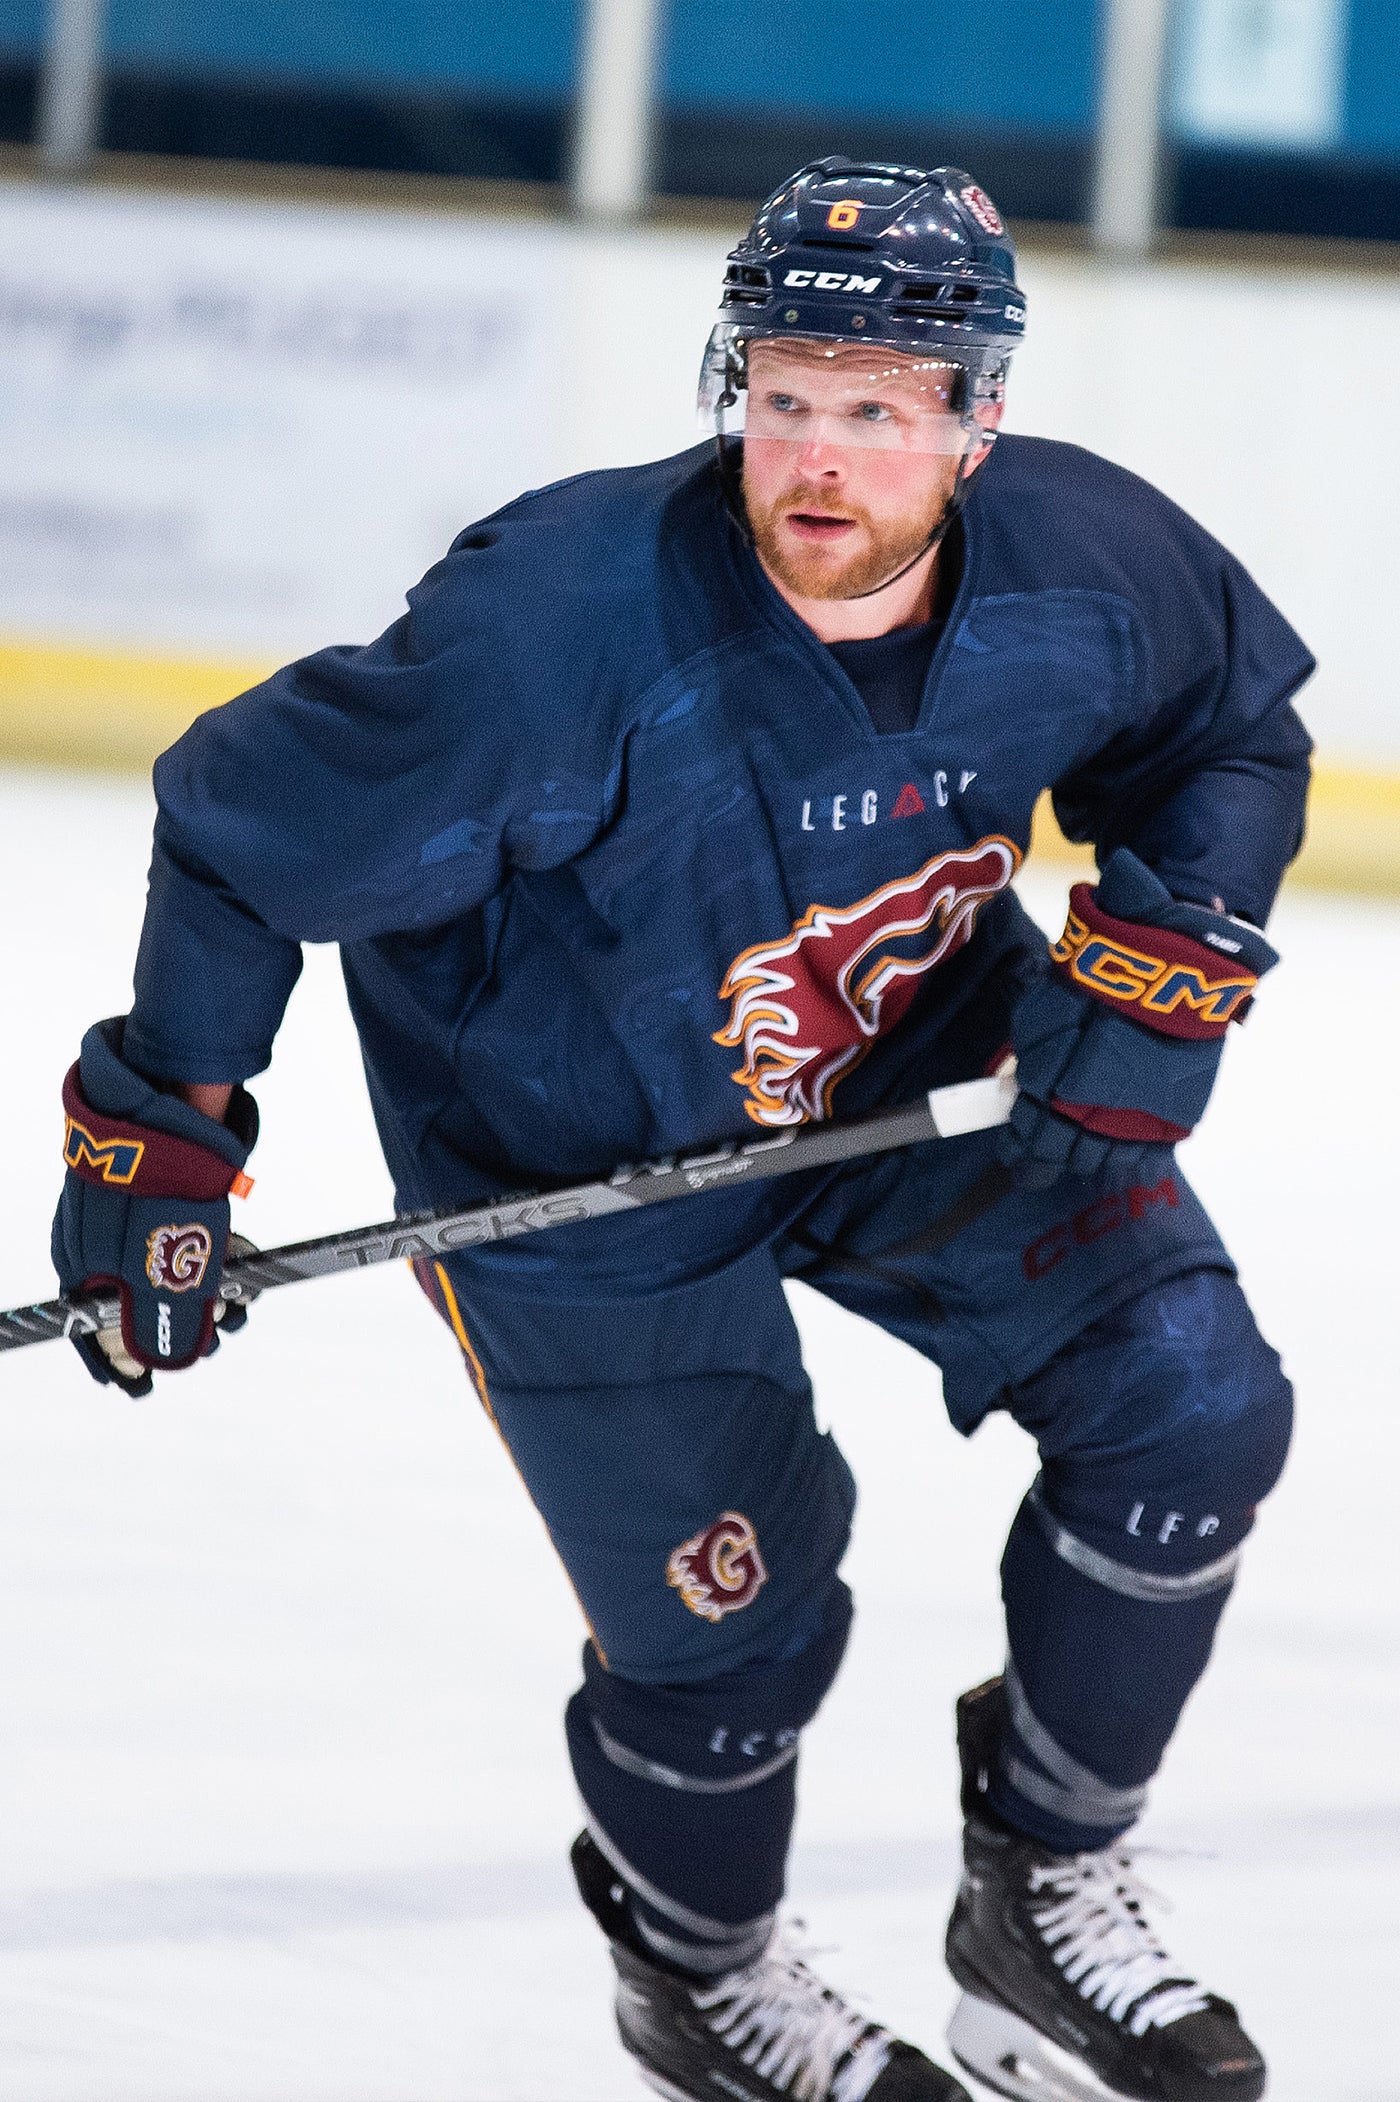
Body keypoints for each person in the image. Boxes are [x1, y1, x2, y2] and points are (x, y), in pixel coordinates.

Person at [51, 159, 1311, 2102]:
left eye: (879, 410)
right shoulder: (550, 640)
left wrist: (1162, 963)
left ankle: (1043, 1901)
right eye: (786, 395)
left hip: (916, 1067)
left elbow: (1228, 727)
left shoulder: (1088, 566)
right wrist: (165, 1136)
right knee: (737, 1623)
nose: (818, 458)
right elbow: (239, 827)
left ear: (978, 422)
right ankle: (701, 1974)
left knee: (1188, 1404)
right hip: (570, 1159)